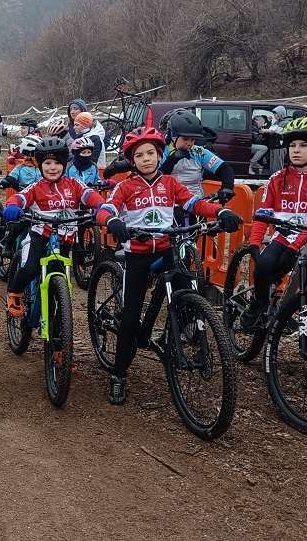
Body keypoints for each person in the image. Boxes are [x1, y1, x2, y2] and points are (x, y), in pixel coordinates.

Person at [95, 126, 242, 405]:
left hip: (167, 249)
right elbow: (107, 208)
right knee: (129, 317)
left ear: (160, 154)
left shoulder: (170, 184)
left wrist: (221, 211)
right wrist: (111, 220)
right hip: (138, 254)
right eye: (140, 155)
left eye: (151, 153)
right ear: (132, 160)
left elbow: (195, 204)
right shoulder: (126, 186)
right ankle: (118, 373)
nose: (147, 159)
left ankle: (183, 340)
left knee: (188, 293)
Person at [238, 117, 307, 336]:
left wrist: (295, 248)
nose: (296, 150)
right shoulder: (277, 178)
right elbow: (263, 214)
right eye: (292, 145)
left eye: (303, 145)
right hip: (283, 236)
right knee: (264, 266)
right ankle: (259, 303)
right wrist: (254, 243)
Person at [2, 137, 107, 317]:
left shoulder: (74, 184)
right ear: (40, 165)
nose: (52, 167)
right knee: (30, 268)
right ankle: (15, 292)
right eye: (47, 163)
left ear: (64, 164)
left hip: (65, 238)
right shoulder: (36, 186)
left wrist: (100, 206)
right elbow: (19, 197)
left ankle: (58, 327)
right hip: (39, 236)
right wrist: (12, 206)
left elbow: (89, 194)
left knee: (61, 278)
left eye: (57, 163)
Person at [158, 110, 235, 205]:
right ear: (173, 136)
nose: (189, 143)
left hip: (196, 204)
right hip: (169, 203)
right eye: (185, 139)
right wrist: (171, 161)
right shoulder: (161, 152)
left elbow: (225, 168)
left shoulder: (198, 152)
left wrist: (227, 187)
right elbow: (156, 179)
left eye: (193, 139)